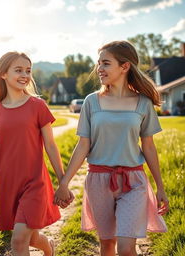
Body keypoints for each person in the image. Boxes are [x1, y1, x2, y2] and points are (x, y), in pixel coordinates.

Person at [54, 41, 169, 256]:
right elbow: (83, 145)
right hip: (98, 180)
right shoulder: (91, 102)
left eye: (106, 63)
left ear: (124, 67)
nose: (99, 68)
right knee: (107, 245)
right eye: (98, 63)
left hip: (133, 181)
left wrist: (160, 187)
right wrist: (64, 183)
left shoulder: (143, 103)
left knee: (126, 249)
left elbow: (149, 147)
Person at [0, 51, 73, 256]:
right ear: (3, 74)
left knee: (19, 240)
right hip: (8, 184)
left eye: (28, 70)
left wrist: (62, 182)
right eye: (18, 70)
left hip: (34, 183)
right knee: (31, 236)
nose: (25, 75)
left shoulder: (37, 106)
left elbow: (51, 145)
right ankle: (49, 249)